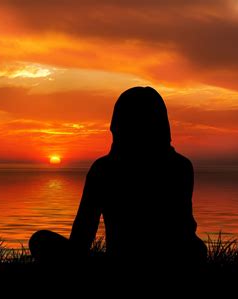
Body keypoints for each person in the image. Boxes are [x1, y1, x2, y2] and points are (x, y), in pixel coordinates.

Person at [29, 86, 207, 271]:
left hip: (122, 266)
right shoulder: (181, 166)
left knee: (41, 240)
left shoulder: (103, 169)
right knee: (195, 249)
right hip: (169, 263)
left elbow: (83, 234)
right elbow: (184, 230)